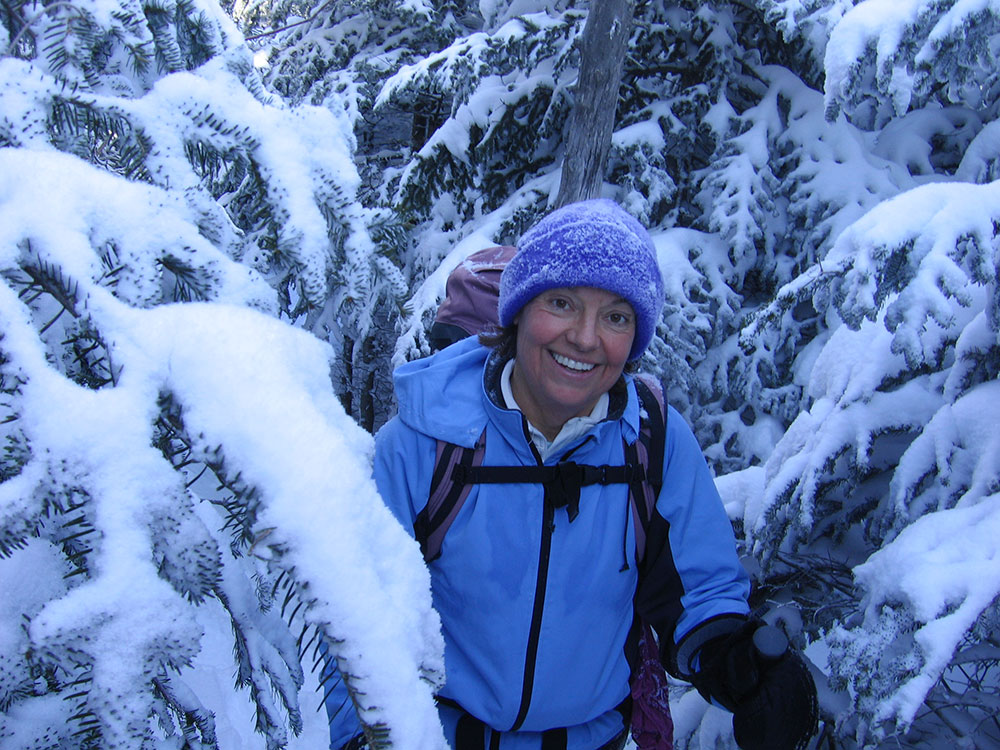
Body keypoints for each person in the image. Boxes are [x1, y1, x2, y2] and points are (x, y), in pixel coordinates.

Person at [328, 199, 817, 750]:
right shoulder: (429, 442)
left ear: (635, 338)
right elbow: (354, 620)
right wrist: (359, 738)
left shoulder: (652, 442)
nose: (585, 339)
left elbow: (700, 586)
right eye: (561, 303)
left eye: (615, 316)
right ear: (518, 312)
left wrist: (738, 662)